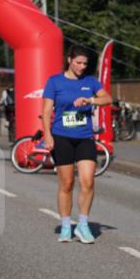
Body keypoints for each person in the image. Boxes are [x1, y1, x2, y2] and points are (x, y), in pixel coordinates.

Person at [41, 46, 112, 243]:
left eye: (85, 64)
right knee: (67, 183)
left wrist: (91, 100)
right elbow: (46, 111)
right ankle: (65, 226)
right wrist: (48, 135)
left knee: (88, 181)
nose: (81, 67)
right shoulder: (55, 81)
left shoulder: (90, 81)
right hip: (61, 136)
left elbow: (107, 98)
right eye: (78, 62)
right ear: (69, 60)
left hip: (84, 137)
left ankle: (82, 224)